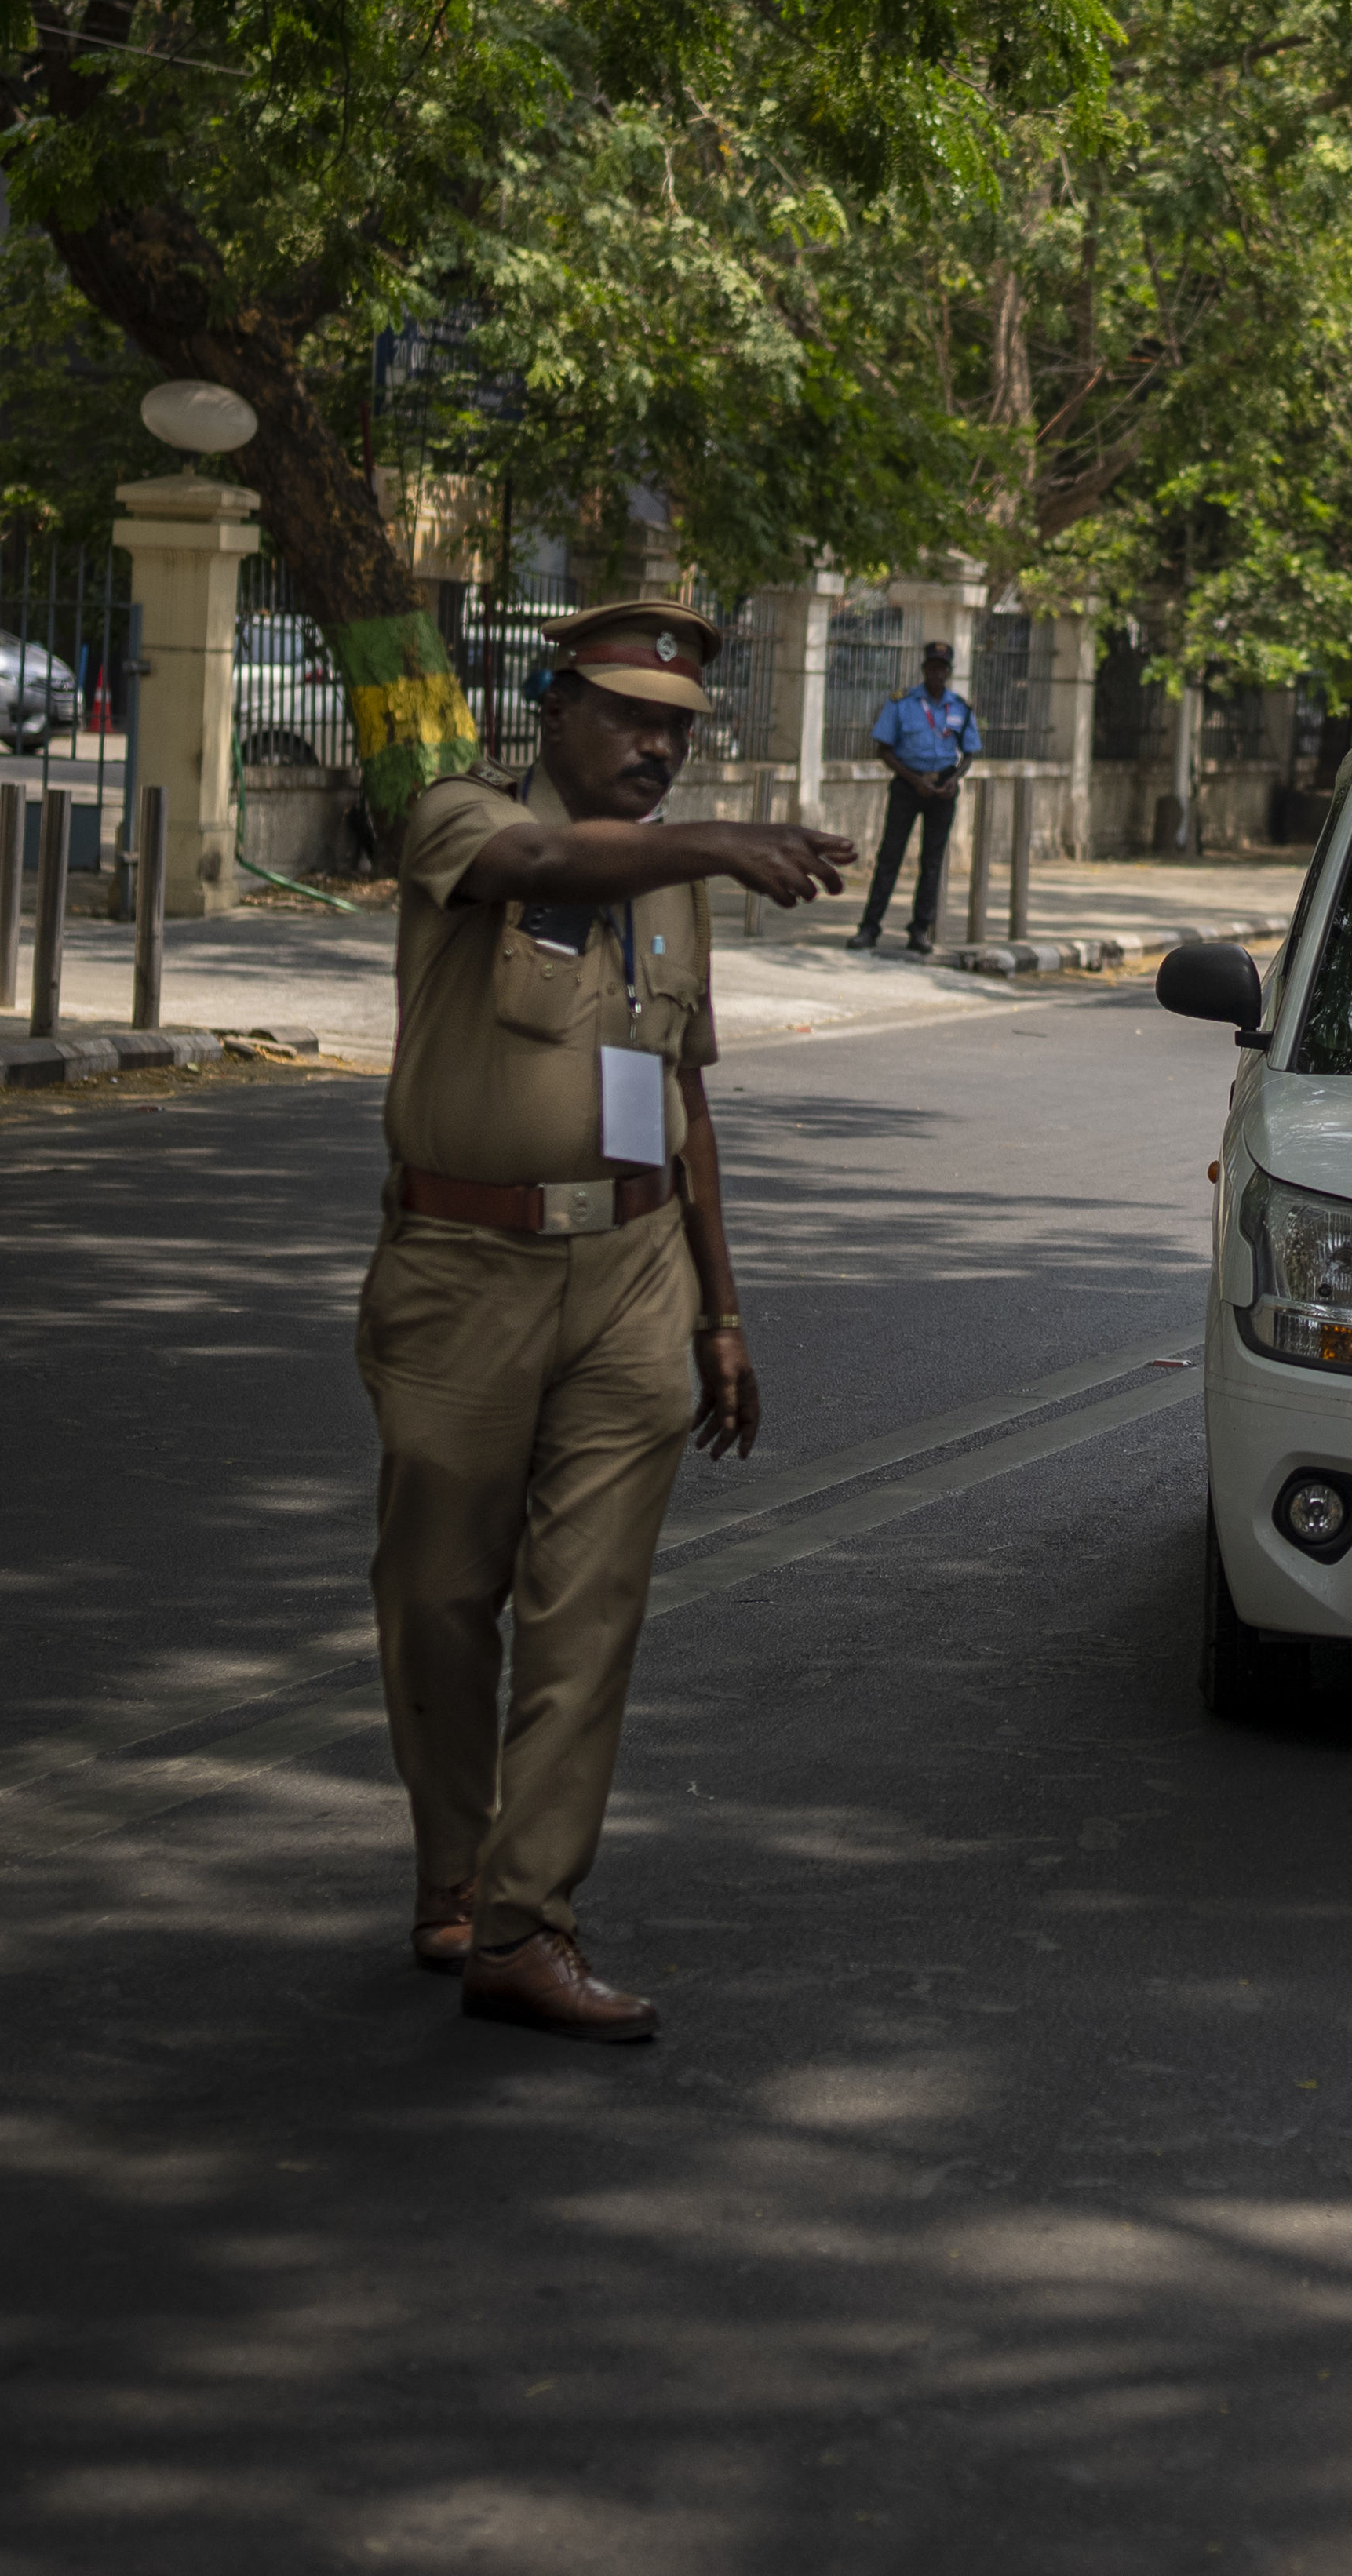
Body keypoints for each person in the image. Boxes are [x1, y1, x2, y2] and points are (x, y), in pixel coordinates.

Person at [365, 604, 857, 2043]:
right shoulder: (460, 816)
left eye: (681, 732)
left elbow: (680, 1097)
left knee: (588, 1611)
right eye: (632, 719)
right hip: (463, 1266)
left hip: (634, 1271)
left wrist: (722, 1308)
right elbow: (535, 863)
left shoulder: (671, 882)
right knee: (440, 1599)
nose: (659, 748)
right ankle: (453, 1874)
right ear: (554, 709)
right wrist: (713, 838)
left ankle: (526, 1923)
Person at [851, 638, 978, 954]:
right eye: (932, 667)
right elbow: (884, 750)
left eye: (942, 668)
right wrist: (913, 780)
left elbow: (970, 752)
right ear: (924, 669)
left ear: (948, 672)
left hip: (944, 788)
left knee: (932, 862)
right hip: (908, 784)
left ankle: (920, 929)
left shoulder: (959, 707)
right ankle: (870, 927)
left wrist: (955, 780)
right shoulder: (902, 702)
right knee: (890, 857)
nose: (936, 673)